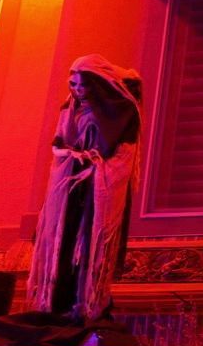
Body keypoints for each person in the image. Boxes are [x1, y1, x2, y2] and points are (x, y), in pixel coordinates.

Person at [25, 54, 143, 322]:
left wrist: (96, 167)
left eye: (83, 86)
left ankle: (87, 304)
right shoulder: (69, 109)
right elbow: (58, 143)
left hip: (97, 183)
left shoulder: (121, 113)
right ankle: (56, 303)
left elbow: (124, 156)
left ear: (97, 86)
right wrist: (68, 155)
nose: (78, 91)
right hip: (69, 184)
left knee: (88, 241)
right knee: (64, 238)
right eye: (74, 85)